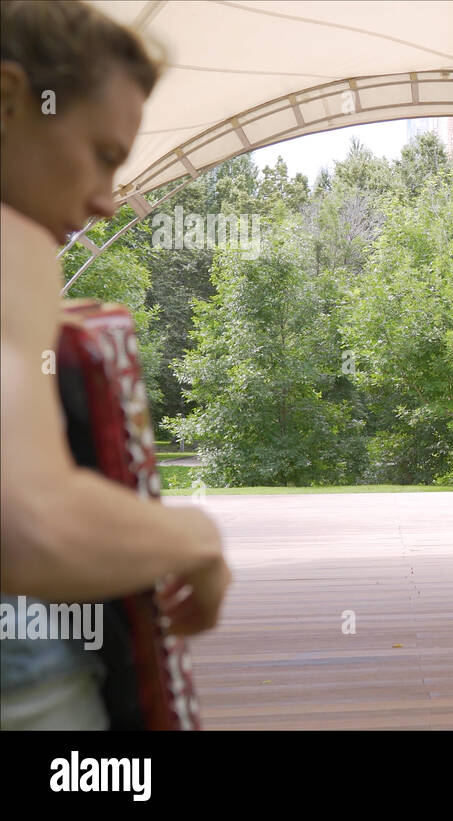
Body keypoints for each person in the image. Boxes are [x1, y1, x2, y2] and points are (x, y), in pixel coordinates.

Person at [1, 0, 230, 729]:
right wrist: (197, 536)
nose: (106, 202)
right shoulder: (15, 242)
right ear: (9, 99)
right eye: (102, 155)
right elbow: (30, 523)